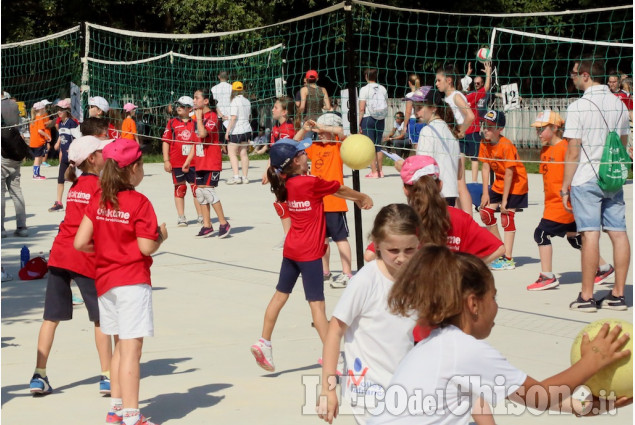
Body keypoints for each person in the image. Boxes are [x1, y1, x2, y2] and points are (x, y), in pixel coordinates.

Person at [367, 245, 632, 424]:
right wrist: (593, 361)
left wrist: (584, 406)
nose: (496, 306)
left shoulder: (436, 346)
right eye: (493, 297)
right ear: (473, 304)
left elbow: (512, 394)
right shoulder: (462, 349)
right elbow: (540, 395)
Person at [250, 139, 372, 372]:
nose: (308, 156)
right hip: (309, 254)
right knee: (317, 307)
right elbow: (340, 189)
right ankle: (331, 357)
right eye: (303, 153)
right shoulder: (311, 182)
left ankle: (263, 342)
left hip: (292, 249)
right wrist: (362, 197)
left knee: (279, 296)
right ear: (296, 161)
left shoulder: (285, 181)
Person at [74, 138, 168, 425]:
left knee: (118, 347)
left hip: (105, 282)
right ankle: (131, 414)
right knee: (131, 350)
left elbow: (80, 242)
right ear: (134, 169)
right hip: (131, 281)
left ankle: (116, 408)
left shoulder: (99, 198)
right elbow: (145, 248)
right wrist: (160, 236)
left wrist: (104, 249)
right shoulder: (139, 202)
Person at [319, 204, 421, 425]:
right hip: (368, 391)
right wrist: (328, 389)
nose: (402, 258)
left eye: (409, 250)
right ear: (376, 244)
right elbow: (335, 331)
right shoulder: (366, 281)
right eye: (393, 251)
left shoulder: (417, 279)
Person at [29, 136, 114, 396]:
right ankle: (108, 376)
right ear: (92, 158)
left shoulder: (76, 184)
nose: (106, 154)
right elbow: (102, 225)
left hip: (59, 254)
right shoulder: (98, 186)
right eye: (102, 151)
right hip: (83, 255)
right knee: (102, 320)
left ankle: (38, 375)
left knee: (50, 318)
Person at [562, 56, 630, 312]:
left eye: (574, 73)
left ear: (587, 75)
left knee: (590, 233)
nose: (573, 77)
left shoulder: (578, 107)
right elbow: (622, 144)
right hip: (612, 175)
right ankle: (618, 295)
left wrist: (565, 186)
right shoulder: (620, 105)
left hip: (586, 176)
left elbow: (573, 150)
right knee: (618, 232)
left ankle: (587, 297)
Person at [528, 110, 613, 291]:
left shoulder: (566, 148)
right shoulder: (545, 149)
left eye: (542, 129)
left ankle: (547, 276)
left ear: (555, 128)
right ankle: (604, 268)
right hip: (551, 202)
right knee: (575, 239)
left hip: (563, 203)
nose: (538, 133)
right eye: (537, 129)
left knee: (541, 234)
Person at [295, 113, 354, 288]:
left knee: (340, 238)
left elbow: (342, 131)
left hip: (335, 201)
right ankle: (325, 272)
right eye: (318, 130)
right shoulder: (315, 147)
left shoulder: (338, 146)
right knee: (322, 240)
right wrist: (305, 129)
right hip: (317, 202)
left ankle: (347, 273)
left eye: (322, 130)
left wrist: (323, 127)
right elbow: (295, 143)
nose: (319, 133)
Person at [478, 110, 528, 271]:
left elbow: (510, 173)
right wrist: (486, 192)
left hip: (516, 183)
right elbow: (485, 167)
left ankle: (508, 258)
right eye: (485, 125)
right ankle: (499, 249)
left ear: (500, 129)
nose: (486, 129)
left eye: (490, 127)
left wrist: (504, 200)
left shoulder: (506, 145)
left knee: (507, 216)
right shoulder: (484, 143)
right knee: (485, 213)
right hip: (499, 183)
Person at [192, 88, 231, 238]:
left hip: (211, 161)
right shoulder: (196, 118)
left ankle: (223, 223)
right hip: (200, 160)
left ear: (206, 101)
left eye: (197, 98)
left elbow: (202, 134)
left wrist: (199, 118)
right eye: (194, 98)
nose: (194, 101)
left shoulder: (212, 116)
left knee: (208, 191)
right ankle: (207, 226)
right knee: (200, 193)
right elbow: (196, 141)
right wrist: (190, 160)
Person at [436, 64, 474, 215]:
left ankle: (468, 220)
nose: (437, 83)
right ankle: (460, 217)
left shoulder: (456, 96)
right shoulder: (447, 97)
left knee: (460, 183)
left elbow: (470, 116)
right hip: (450, 143)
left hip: (458, 143)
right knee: (453, 183)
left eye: (439, 80)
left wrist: (460, 131)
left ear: (449, 80)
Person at [412, 88, 461, 206]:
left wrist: (403, 166)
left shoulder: (427, 131)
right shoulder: (451, 132)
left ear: (433, 108)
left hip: (434, 194)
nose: (416, 113)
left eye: (419, 108)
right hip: (451, 193)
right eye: (415, 108)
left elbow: (423, 168)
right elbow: (459, 173)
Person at [161, 95, 203, 227]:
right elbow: (166, 141)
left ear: (190, 109)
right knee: (180, 188)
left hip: (194, 162)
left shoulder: (196, 123)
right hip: (177, 161)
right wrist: (166, 160)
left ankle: (201, 215)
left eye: (182, 106)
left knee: (196, 189)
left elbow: (200, 141)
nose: (178, 108)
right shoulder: (172, 122)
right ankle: (181, 216)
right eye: (178, 105)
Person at [262, 96, 298, 240]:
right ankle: (288, 236)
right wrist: (267, 170)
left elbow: (286, 155)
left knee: (285, 204)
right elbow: (273, 152)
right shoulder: (276, 127)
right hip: (278, 171)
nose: (272, 109)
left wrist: (278, 172)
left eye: (276, 107)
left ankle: (289, 236)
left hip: (288, 172)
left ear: (284, 112)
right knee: (281, 204)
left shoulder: (288, 129)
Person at [1, 92, 28, 237]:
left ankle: (1, 229)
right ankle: (22, 227)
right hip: (15, 150)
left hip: (3, 152)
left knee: (1, 193)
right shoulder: (13, 104)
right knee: (16, 190)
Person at [49, 99, 79, 212]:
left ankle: (77, 202)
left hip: (73, 157)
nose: (59, 112)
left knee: (75, 180)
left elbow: (77, 138)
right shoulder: (60, 123)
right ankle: (59, 203)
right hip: (64, 157)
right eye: (58, 110)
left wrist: (73, 151)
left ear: (67, 111)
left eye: (61, 110)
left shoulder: (72, 123)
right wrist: (57, 143)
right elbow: (62, 136)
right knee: (60, 179)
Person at [465, 61, 492, 182]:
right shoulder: (471, 97)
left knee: (463, 157)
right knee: (475, 159)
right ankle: (474, 183)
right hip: (472, 130)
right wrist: (489, 74)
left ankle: (462, 183)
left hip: (463, 131)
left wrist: (467, 74)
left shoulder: (456, 98)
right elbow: (486, 88)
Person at [359, 68, 389, 178]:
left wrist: (359, 122)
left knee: (370, 146)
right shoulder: (382, 88)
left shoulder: (364, 89)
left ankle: (374, 172)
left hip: (368, 118)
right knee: (378, 145)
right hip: (380, 118)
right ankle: (381, 171)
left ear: (366, 76)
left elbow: (362, 108)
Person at [225, 81, 252, 184]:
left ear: (233, 90)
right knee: (243, 153)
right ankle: (245, 177)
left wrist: (227, 131)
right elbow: (247, 116)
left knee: (232, 153)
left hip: (236, 130)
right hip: (246, 129)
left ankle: (236, 176)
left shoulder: (234, 101)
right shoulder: (247, 101)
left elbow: (234, 118)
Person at [402, 74, 425, 150]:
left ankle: (418, 161)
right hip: (424, 121)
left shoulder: (410, 95)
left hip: (414, 121)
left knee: (416, 145)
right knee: (424, 144)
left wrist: (405, 126)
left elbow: (408, 111)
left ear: (409, 83)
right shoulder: (424, 94)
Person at [29, 101, 51, 180]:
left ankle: (36, 174)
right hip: (38, 142)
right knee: (38, 158)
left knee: (37, 158)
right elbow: (40, 130)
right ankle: (36, 175)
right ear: (41, 109)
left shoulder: (33, 119)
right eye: (44, 108)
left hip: (33, 141)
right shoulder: (40, 118)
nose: (45, 110)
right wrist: (47, 136)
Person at [211, 71, 232, 141]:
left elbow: (213, 104)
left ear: (218, 77)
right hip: (230, 117)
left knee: (219, 140)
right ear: (227, 77)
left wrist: (221, 115)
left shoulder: (213, 89)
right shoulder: (232, 88)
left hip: (219, 117)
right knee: (230, 139)